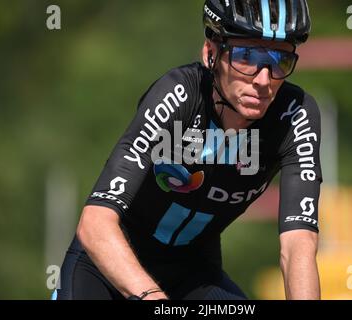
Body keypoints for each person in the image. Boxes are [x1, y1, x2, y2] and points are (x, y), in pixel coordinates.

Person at [54, 0, 322, 300]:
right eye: (246, 57)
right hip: (107, 263)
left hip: (193, 274)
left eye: (279, 60)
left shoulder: (295, 116)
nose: (263, 80)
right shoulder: (179, 95)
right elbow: (95, 223)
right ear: (211, 54)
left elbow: (298, 242)